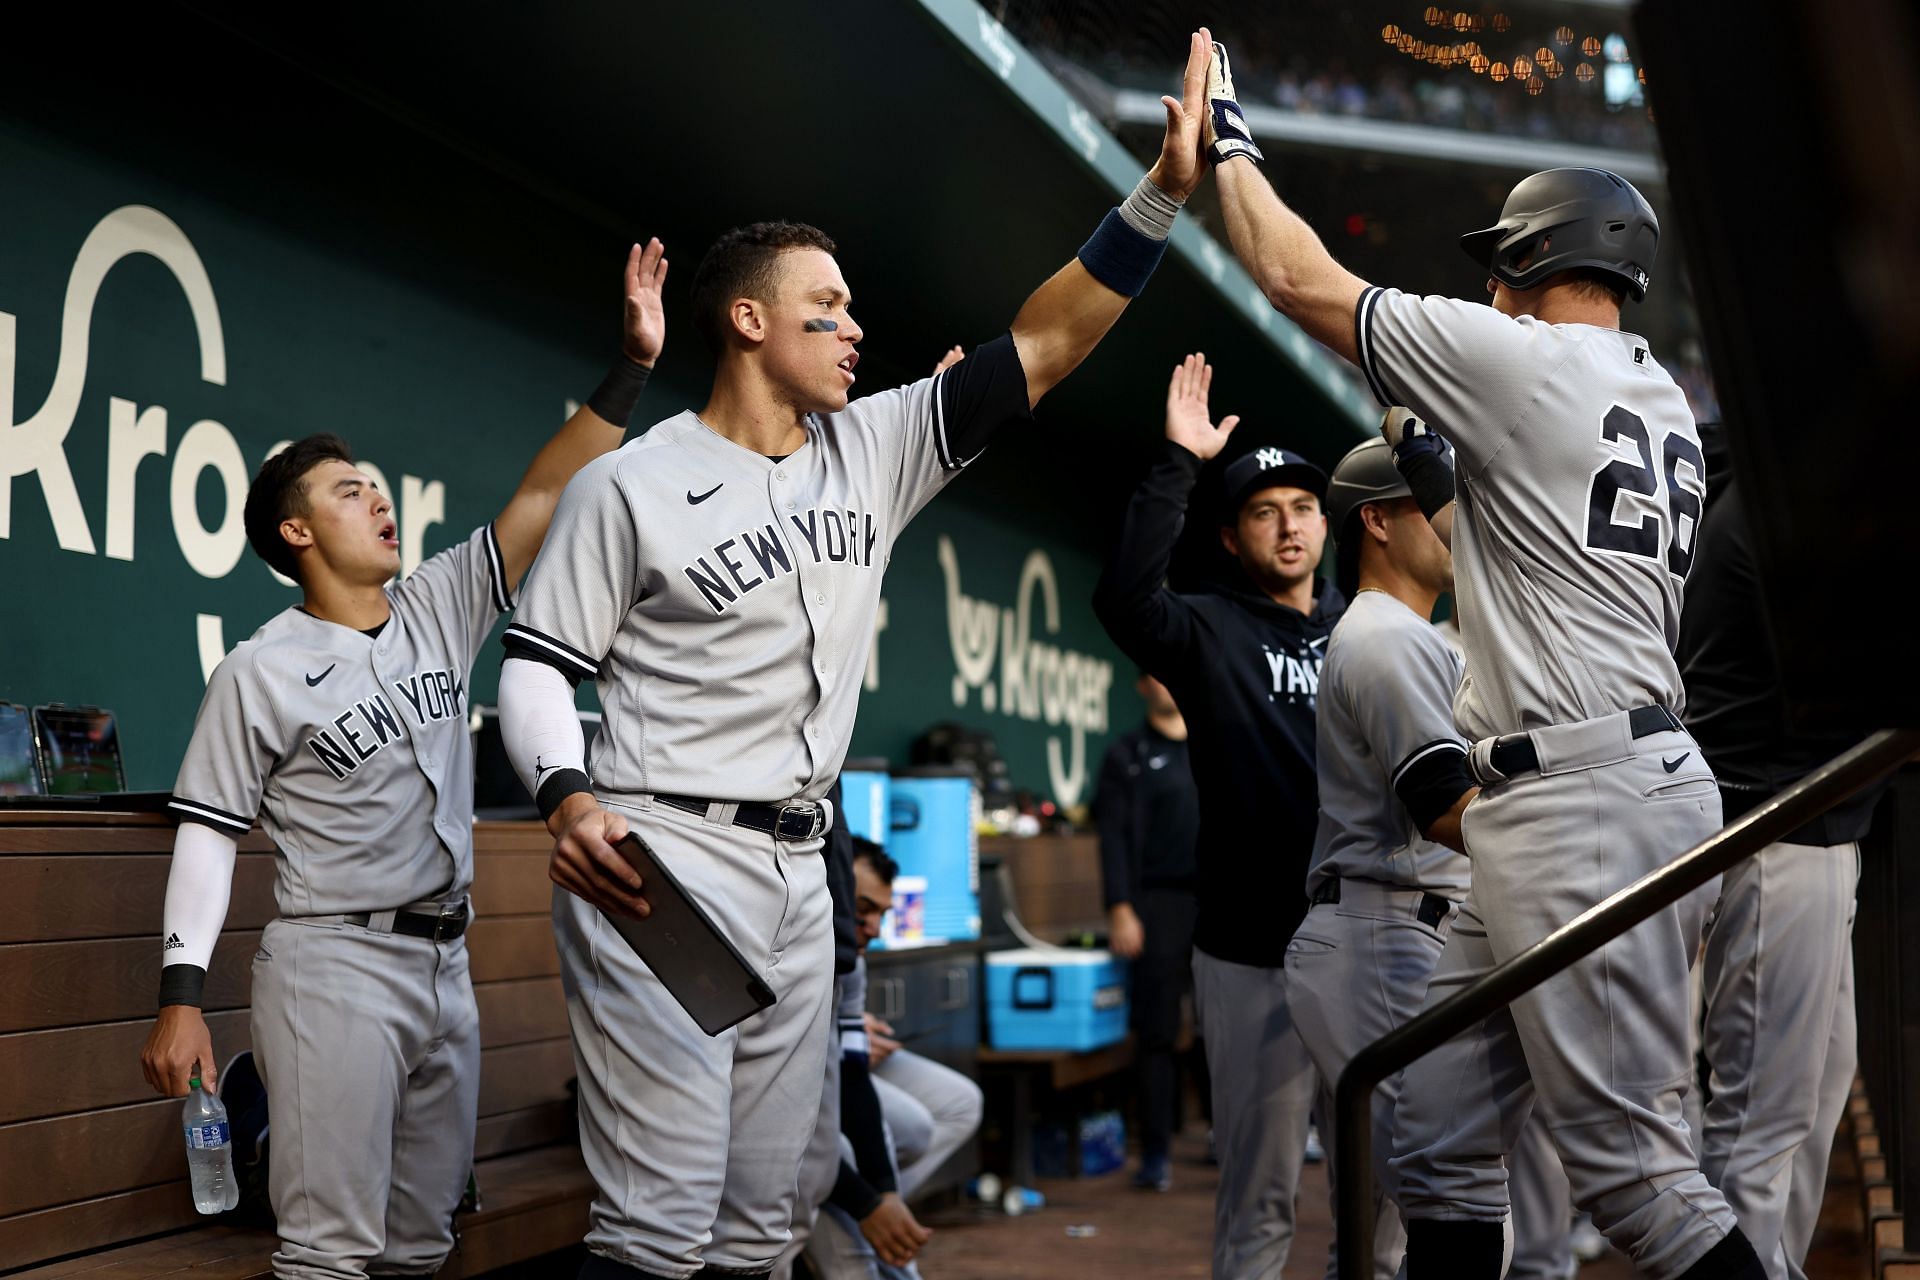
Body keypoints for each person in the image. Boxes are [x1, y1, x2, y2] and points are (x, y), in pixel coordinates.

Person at [493, 33, 1221, 1278]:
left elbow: (1044, 344)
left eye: (850, 306)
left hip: (801, 865)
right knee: (658, 1224)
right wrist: (565, 797)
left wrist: (1158, 194)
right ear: (746, 319)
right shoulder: (633, 484)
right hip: (665, 850)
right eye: (824, 307)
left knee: (767, 1223)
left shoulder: (872, 447)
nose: (853, 326)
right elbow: (535, 662)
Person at [1195, 32, 1763, 1279]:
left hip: (1586, 798)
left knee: (1633, 1172)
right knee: (1442, 1132)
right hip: (1571, 786)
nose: (1490, 288)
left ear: (1527, 261)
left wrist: (1229, 144)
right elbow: (1493, 527)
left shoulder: (1527, 360)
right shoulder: (1656, 389)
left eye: (1499, 266)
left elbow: (1296, 277)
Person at [139, 242, 671, 1278]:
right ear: (295, 530)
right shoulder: (259, 668)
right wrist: (181, 995)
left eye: (376, 485)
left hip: (445, 961)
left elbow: (548, 487)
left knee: (422, 1243)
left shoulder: (436, 603)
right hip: (335, 961)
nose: (377, 499)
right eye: (348, 491)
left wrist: (632, 368)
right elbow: (208, 831)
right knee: (330, 1249)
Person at [1093, 352, 1344, 1279]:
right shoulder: (1208, 629)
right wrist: (1178, 464)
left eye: (1304, 507)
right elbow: (1122, 598)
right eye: (1263, 511)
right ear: (1233, 538)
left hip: (1366, 942)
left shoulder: (1368, 632)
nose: (1288, 524)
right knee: (1260, 1192)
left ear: (1327, 524)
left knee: (1383, 1193)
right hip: (1249, 948)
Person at [1679, 424, 1886, 1280]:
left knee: (1812, 1094)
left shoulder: (1770, 486)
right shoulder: (1784, 515)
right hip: (1778, 832)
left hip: (1800, 829)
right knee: (1758, 1127)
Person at [1283, 434, 1471, 1279]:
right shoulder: (1388, 638)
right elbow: (1446, 813)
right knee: (1438, 1204)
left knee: (1378, 1236)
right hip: (1386, 933)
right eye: (1430, 505)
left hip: (1386, 933)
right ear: (1381, 520)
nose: (1453, 523)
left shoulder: (1407, 635)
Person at [807, 839, 985, 1280]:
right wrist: (868, 1201)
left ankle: (880, 1217)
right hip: (764, 1109)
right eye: (863, 908)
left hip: (831, 1075)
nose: (872, 926)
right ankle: (862, 1231)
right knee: (843, 1146)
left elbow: (850, 1074)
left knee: (951, 1106)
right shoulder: (795, 944)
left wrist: (881, 1196)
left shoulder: (851, 959)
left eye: (881, 913)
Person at [1093, 670, 1201, 1193]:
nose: (1165, 681)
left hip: (1221, 900)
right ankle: (1155, 1152)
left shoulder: (1215, 742)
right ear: (1141, 686)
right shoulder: (1127, 753)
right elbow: (1111, 835)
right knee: (1156, 1030)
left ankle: (1230, 1137)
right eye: (1152, 673)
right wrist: (1119, 907)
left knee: (1222, 1025)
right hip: (1157, 903)